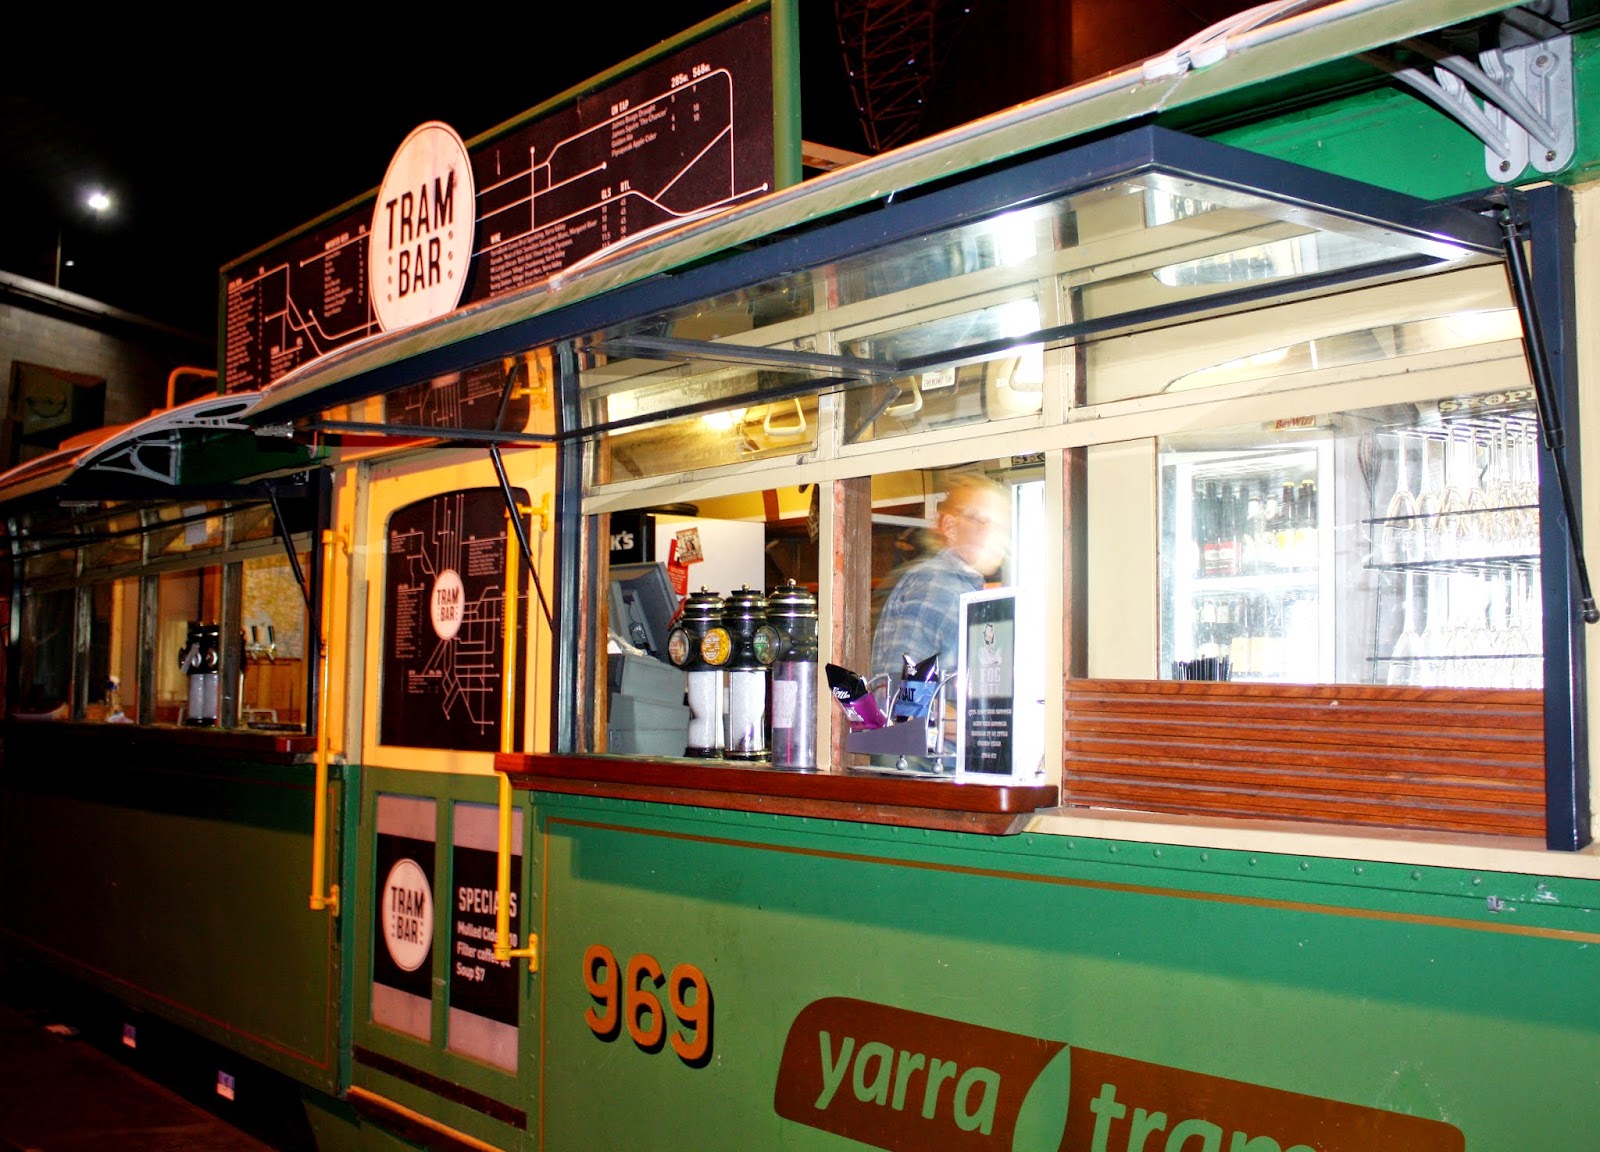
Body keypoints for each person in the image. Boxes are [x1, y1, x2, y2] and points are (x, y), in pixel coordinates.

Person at [870, 473, 1011, 686]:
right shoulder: (936, 584)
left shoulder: (963, 589)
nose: (1000, 537)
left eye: (1004, 527)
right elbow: (903, 692)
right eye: (984, 522)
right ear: (950, 527)